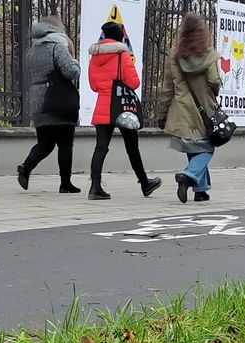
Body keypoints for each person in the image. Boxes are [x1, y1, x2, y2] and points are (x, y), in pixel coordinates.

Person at [86, 21, 162, 200]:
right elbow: (134, 83)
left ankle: (95, 187)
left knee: (100, 148)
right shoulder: (123, 56)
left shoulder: (95, 57)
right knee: (132, 148)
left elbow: (94, 86)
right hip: (122, 107)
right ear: (120, 37)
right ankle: (145, 183)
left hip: (103, 107)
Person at [156, 13, 221, 203]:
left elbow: (167, 87)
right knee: (208, 148)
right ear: (202, 31)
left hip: (182, 110)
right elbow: (214, 80)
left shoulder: (174, 55)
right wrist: (213, 91)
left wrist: (162, 113)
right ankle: (187, 175)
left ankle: (200, 190)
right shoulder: (208, 53)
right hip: (204, 109)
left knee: (194, 148)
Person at [18, 16, 82, 193]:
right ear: (56, 29)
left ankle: (26, 168)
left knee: (44, 144)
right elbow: (72, 71)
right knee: (65, 144)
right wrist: (76, 62)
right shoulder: (57, 47)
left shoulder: (31, 51)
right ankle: (65, 184)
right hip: (58, 102)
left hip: (38, 103)